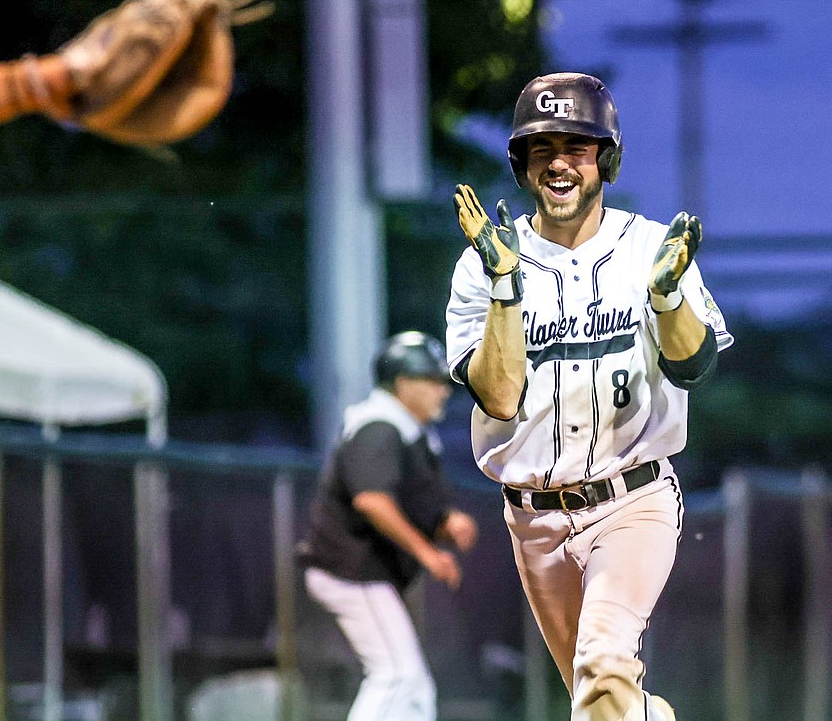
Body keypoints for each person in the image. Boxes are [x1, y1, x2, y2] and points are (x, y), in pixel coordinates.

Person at [445, 72, 733, 721]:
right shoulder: (484, 262)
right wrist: (505, 287)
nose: (559, 162)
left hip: (631, 502)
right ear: (521, 164)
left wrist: (665, 296)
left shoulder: (650, 247)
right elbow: (498, 397)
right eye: (542, 147)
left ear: (606, 158)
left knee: (603, 670)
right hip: (533, 519)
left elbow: (694, 367)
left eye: (577, 145)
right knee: (601, 700)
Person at [298, 331, 479, 721]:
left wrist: (444, 521)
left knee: (413, 687)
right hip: (351, 571)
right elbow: (372, 500)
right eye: (431, 381)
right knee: (397, 677)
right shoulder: (379, 426)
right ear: (402, 383)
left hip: (360, 572)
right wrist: (428, 553)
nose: (442, 391)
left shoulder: (402, 430)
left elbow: (407, 499)